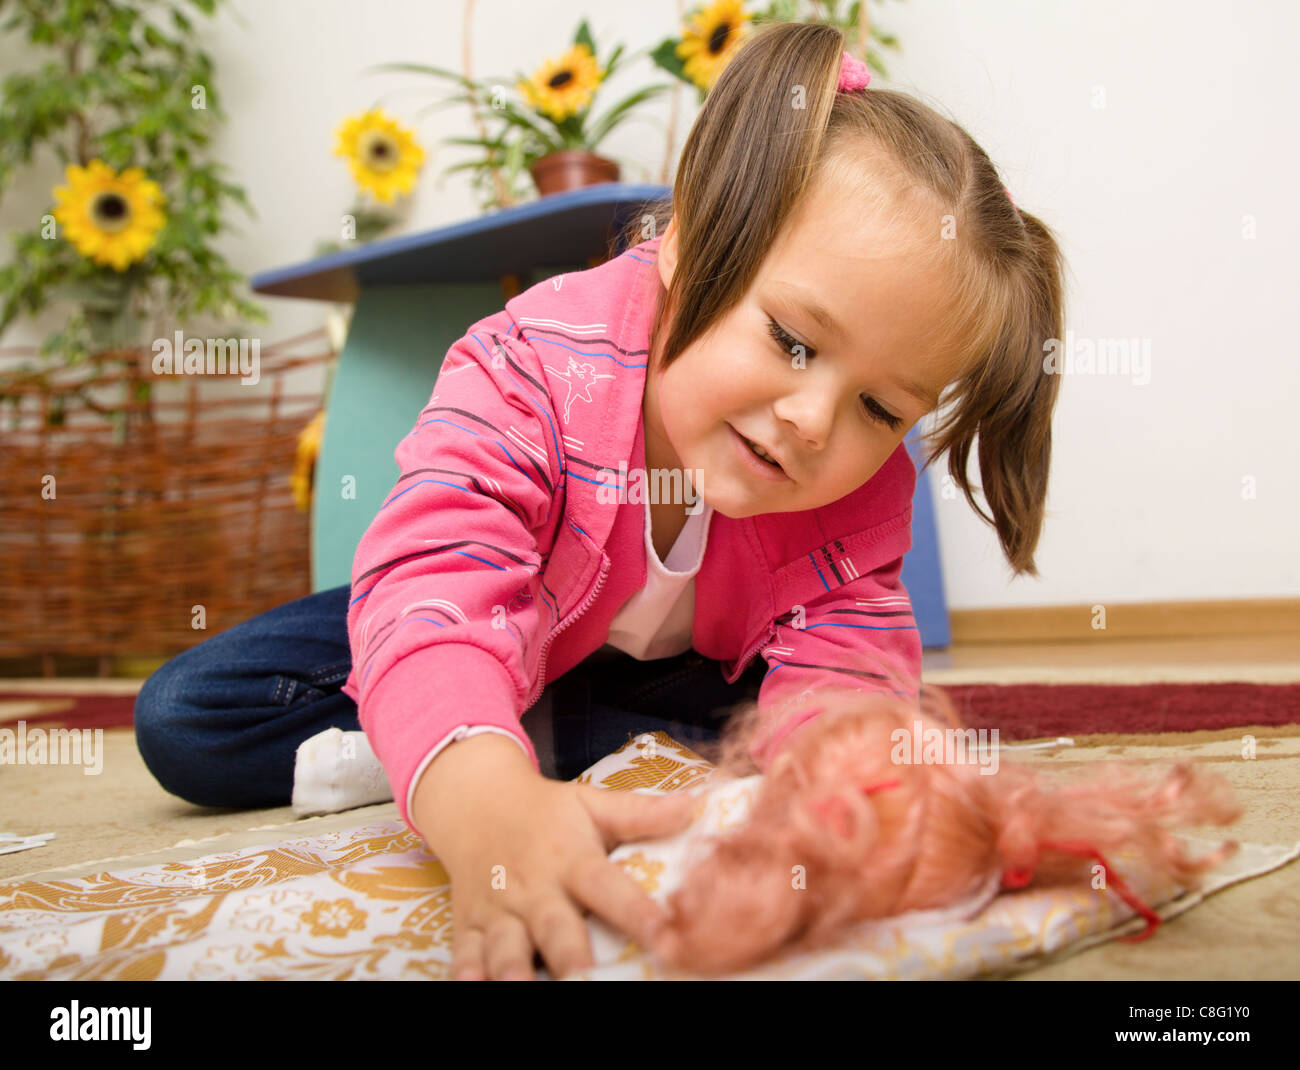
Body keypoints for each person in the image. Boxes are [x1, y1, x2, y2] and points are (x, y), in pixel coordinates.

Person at [134, 21, 1066, 981]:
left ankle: (528, 744)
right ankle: (469, 740)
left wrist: (841, 795)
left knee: (817, 748)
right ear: (689, 241)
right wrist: (484, 805)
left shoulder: (858, 490)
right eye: (793, 339)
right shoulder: (534, 363)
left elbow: (842, 669)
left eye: (880, 406)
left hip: (673, 680)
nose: (817, 421)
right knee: (190, 719)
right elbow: (433, 585)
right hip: (481, 616)